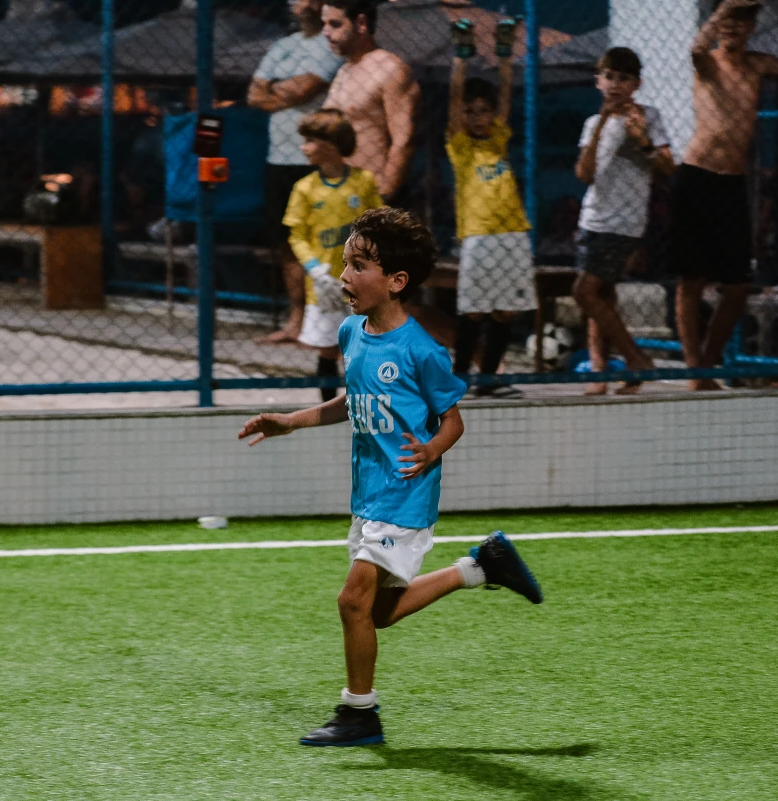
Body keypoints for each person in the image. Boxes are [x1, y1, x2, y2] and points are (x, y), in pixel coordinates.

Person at [237, 207, 543, 747]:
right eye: (345, 264)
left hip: (404, 492)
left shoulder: (421, 350)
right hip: (369, 493)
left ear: (396, 281)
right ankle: (480, 566)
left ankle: (359, 713)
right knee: (378, 612)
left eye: (358, 266)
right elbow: (351, 400)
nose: (344, 276)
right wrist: (291, 421)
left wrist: (430, 451)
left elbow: (453, 421)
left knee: (351, 601)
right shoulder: (351, 331)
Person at [670, 0, 778, 390]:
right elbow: (695, 49)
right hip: (697, 175)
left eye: (741, 21)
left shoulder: (757, 64)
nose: (733, 27)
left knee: (737, 287)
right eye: (728, 21)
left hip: (732, 181)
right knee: (691, 280)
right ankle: (695, 370)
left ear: (752, 27)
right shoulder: (708, 62)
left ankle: (708, 363)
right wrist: (725, 7)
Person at [573, 47, 675, 396]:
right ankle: (599, 369)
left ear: (636, 84)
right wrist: (602, 123)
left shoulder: (648, 117)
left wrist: (643, 142)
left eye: (624, 78)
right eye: (610, 77)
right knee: (601, 294)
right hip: (593, 217)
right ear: (598, 81)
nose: (616, 84)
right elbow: (584, 174)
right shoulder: (593, 123)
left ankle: (636, 358)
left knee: (584, 292)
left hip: (625, 221)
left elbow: (668, 167)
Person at [446, 17, 536, 398]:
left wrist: (505, 56)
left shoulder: (497, 140)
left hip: (512, 232)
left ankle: (489, 380)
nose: (477, 117)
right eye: (471, 111)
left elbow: (506, 96)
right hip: (479, 236)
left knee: (505, 311)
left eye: (483, 111)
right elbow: (454, 101)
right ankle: (457, 378)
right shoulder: (461, 147)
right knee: (473, 311)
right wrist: (461, 58)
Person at [250, 0, 346, 345]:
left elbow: (307, 88)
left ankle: (330, 324)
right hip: (279, 159)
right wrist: (287, 94)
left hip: (316, 160)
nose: (298, 2)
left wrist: (275, 90)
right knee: (286, 243)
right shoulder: (282, 46)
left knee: (325, 241)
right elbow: (253, 95)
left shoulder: (332, 42)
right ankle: (297, 321)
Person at [283, 110, 384, 400]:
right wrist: (315, 270)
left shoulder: (363, 182)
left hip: (361, 282)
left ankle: (367, 403)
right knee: (328, 348)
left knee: (365, 344)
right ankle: (328, 406)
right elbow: (296, 235)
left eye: (310, 141)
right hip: (325, 284)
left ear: (330, 145)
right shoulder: (304, 189)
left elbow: (380, 222)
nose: (303, 147)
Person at [320, 0, 421, 205]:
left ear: (361, 23)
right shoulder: (343, 72)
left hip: (373, 193)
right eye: (324, 24)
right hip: (339, 195)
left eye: (335, 24)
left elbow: (404, 139)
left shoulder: (390, 69)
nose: (325, 32)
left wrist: (383, 196)